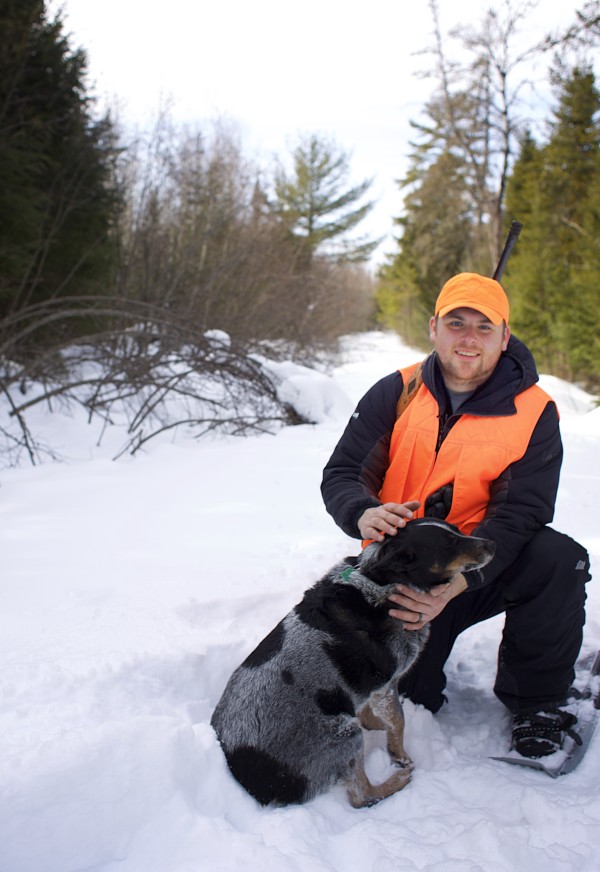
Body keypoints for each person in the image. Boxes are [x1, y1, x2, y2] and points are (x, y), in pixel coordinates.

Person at [321, 272, 591, 759]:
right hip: (401, 575)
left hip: (478, 567)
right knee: (413, 697)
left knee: (558, 558)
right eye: (457, 323)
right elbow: (343, 472)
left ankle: (540, 701)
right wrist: (361, 513)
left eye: (484, 327)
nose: (469, 338)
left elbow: (521, 513)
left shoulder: (534, 411)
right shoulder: (397, 391)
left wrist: (461, 582)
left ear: (505, 336)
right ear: (434, 328)